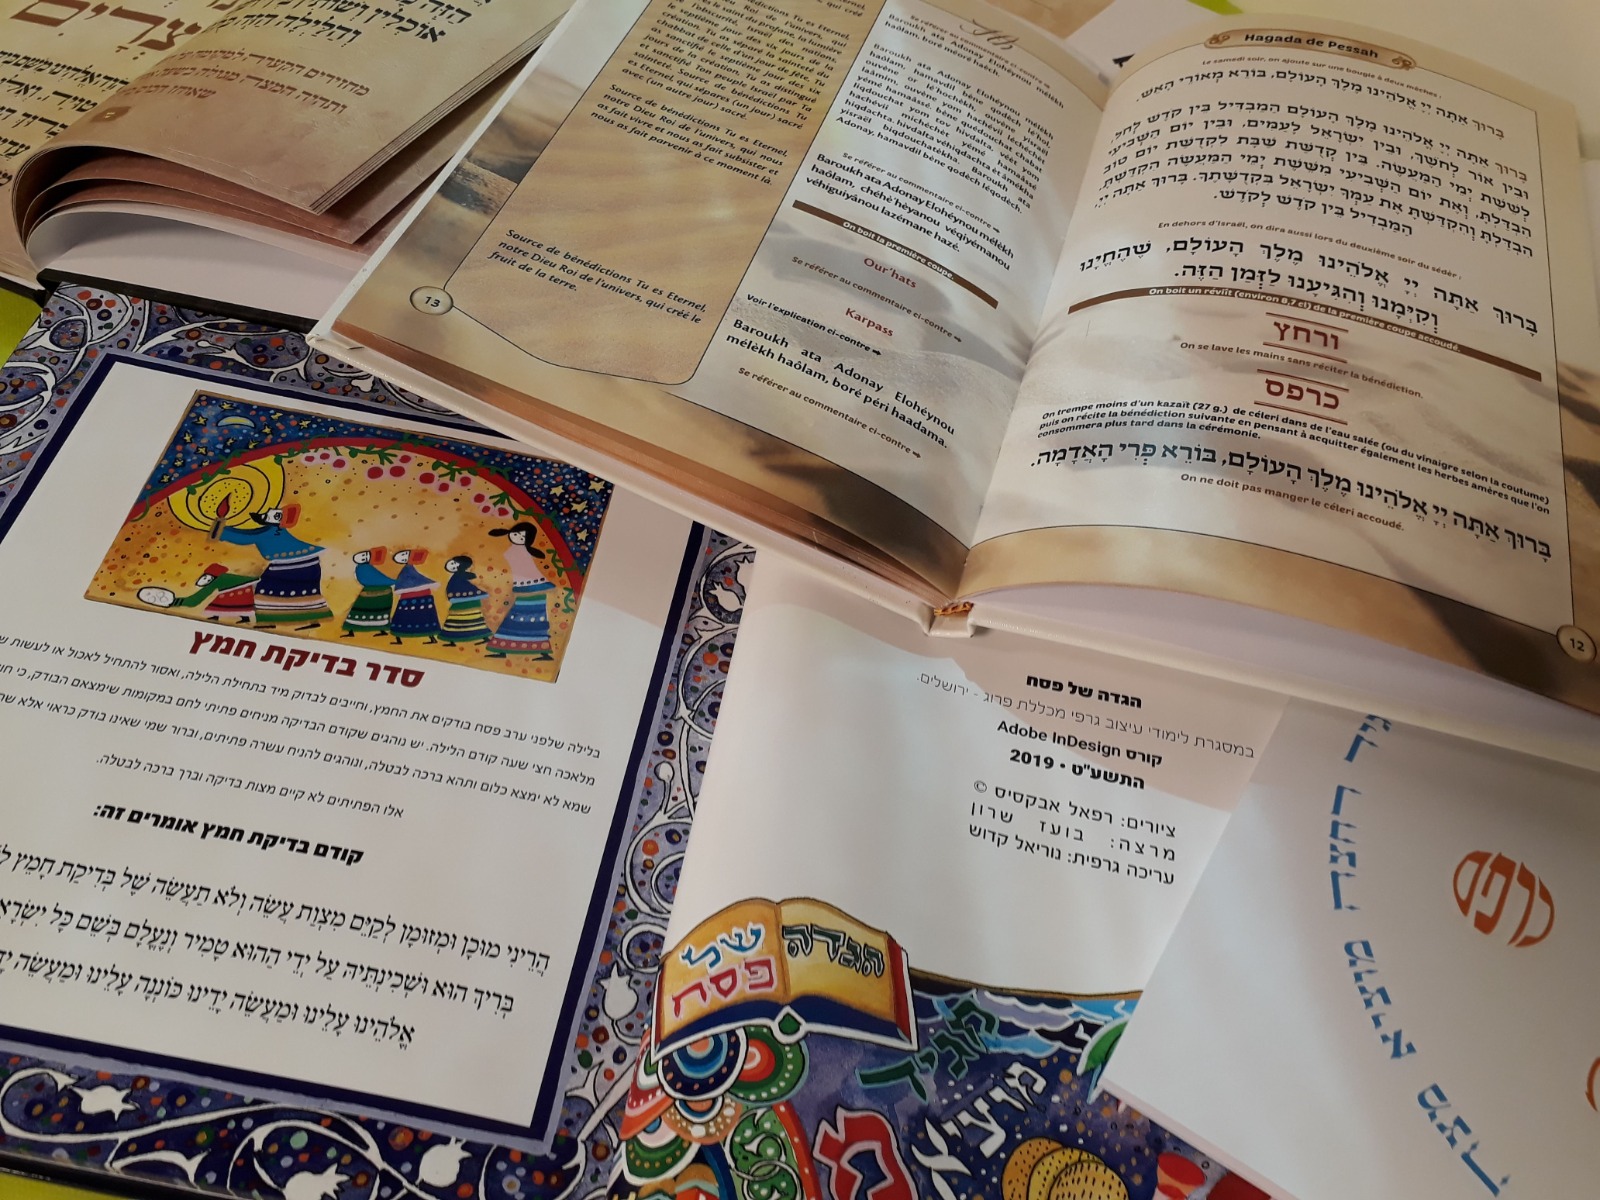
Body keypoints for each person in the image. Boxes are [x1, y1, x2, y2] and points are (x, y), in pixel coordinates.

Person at [216, 506, 332, 629]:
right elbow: (249, 535)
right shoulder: (272, 530)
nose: (268, 514)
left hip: (292, 565)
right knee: (305, 591)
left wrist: (221, 531)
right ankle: (310, 619)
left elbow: (246, 537)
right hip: (304, 563)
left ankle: (269, 620)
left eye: (276, 515)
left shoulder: (270, 531)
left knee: (267, 590)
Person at [485, 522, 557, 660]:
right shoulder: (517, 550)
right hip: (527, 586)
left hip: (531, 587)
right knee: (530, 615)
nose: (517, 537)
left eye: (522, 537)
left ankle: (508, 648)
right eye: (516, 534)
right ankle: (507, 648)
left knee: (529, 615)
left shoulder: (520, 551)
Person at [137, 563, 257, 622]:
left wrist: (175, 602)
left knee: (231, 602)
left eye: (207, 578)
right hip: (237, 590)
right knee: (225, 602)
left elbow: (195, 600)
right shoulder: (220, 579)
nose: (205, 580)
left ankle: (241, 617)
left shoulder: (219, 580)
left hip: (243, 590)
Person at [389, 549, 442, 644]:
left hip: (411, 597)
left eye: (405, 555)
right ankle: (431, 638)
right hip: (414, 597)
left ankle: (399, 639)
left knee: (405, 617)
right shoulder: (407, 570)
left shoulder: (408, 570)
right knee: (422, 616)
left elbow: (417, 579)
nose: (404, 558)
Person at [341, 548, 397, 637]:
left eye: (365, 556)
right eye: (363, 555)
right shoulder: (362, 568)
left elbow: (377, 578)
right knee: (373, 612)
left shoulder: (365, 568)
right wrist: (393, 581)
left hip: (375, 590)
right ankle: (353, 630)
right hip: (374, 590)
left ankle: (353, 630)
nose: (362, 557)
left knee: (372, 611)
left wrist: (393, 581)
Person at [440, 555, 491, 646]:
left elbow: (472, 576)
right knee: (459, 619)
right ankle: (453, 640)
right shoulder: (457, 575)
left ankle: (453, 640)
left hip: (465, 601)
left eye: (455, 564)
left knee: (462, 618)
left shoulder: (459, 575)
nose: (452, 566)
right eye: (452, 564)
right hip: (461, 600)